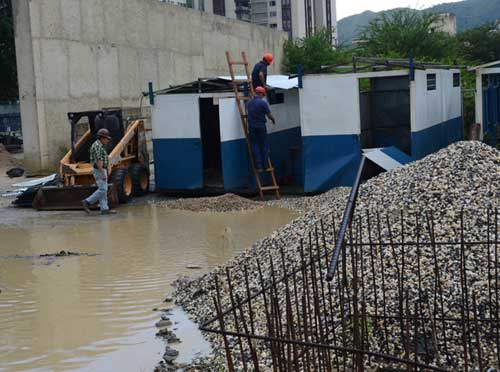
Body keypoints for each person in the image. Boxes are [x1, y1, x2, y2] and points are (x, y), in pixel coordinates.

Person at [82, 128, 117, 215]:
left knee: (103, 190)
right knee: (103, 189)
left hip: (101, 169)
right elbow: (98, 161)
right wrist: (102, 173)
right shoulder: (97, 146)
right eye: (107, 139)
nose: (107, 141)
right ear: (102, 138)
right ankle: (87, 201)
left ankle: (104, 209)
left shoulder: (98, 145)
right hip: (99, 170)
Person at [246, 86, 276, 170]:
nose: (263, 96)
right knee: (264, 144)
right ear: (261, 94)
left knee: (255, 145)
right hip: (261, 126)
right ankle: (265, 164)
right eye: (263, 94)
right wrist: (273, 120)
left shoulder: (248, 103)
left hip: (251, 126)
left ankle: (258, 164)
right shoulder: (263, 103)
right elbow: (269, 115)